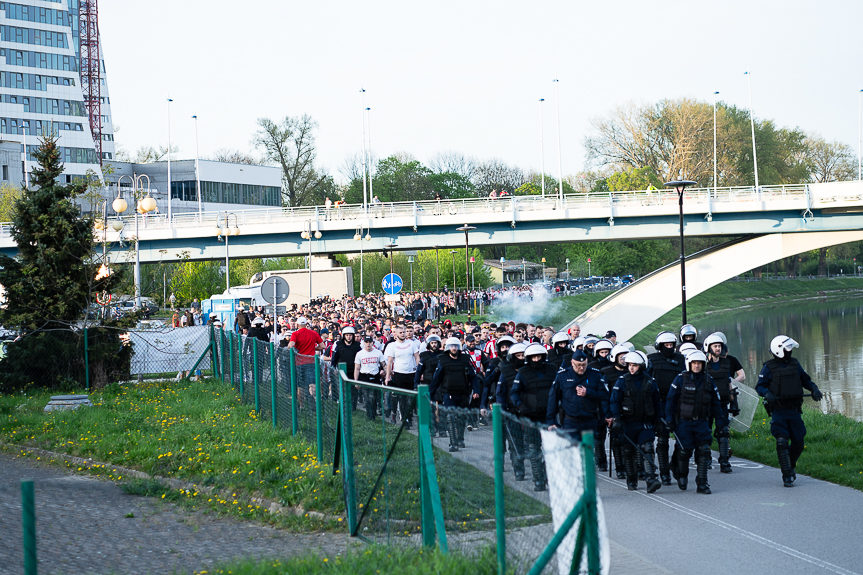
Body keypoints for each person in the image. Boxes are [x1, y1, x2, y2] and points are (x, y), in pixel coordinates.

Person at [756, 335, 823, 488]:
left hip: (794, 411)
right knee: (782, 441)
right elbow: (759, 386)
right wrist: (766, 393)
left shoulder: (795, 364)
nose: (790, 351)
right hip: (779, 411)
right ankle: (787, 475)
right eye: (788, 349)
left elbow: (805, 379)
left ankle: (790, 465)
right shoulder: (768, 367)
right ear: (779, 350)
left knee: (799, 442)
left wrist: (814, 388)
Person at [665, 350, 726, 494]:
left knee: (704, 451)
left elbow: (716, 404)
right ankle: (681, 473)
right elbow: (670, 401)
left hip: (702, 422)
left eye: (699, 363)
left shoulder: (708, 380)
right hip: (684, 422)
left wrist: (720, 423)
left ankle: (702, 482)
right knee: (685, 451)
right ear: (689, 364)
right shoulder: (680, 379)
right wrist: (669, 420)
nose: (697, 366)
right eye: (694, 363)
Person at [609, 352, 662, 493]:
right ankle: (631, 479)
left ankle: (651, 479)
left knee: (648, 448)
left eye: (634, 365)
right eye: (630, 365)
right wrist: (617, 419)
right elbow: (615, 401)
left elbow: (657, 403)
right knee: (628, 451)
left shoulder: (650, 381)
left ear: (641, 366)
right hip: (627, 423)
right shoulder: (622, 381)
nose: (631, 368)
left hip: (645, 423)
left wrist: (659, 420)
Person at [510, 344, 559, 491]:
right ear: (529, 358)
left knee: (552, 449)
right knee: (534, 449)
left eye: (539, 357)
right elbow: (514, 393)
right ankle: (539, 480)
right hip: (531, 416)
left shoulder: (552, 369)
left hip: (550, 416)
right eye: (534, 357)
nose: (537, 360)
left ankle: (549, 474)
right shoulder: (523, 373)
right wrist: (520, 405)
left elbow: (559, 387)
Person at [703, 332, 745, 473]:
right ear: (709, 348)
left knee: (724, 431)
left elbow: (729, 382)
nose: (718, 349)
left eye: (719, 346)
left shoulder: (726, 363)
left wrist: (733, 400)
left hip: (722, 403)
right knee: (706, 431)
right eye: (715, 346)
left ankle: (724, 461)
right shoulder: (703, 364)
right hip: (707, 404)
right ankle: (706, 458)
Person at [430, 337, 482, 452]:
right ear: (448, 347)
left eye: (456, 346)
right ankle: (453, 443)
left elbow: (473, 377)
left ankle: (460, 439)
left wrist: (476, 391)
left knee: (462, 417)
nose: (454, 348)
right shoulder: (442, 360)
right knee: (451, 417)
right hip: (448, 394)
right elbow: (436, 379)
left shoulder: (465, 360)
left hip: (463, 393)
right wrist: (430, 395)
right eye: (451, 346)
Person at [647, 331, 685, 485]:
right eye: (666, 345)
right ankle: (664, 473)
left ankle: (675, 465)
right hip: (660, 402)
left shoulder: (681, 359)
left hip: (678, 403)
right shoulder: (652, 360)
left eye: (671, 345)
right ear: (659, 346)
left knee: (682, 438)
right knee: (662, 439)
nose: (669, 347)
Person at [548, 350, 609, 442]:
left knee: (587, 452)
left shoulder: (595, 374)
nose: (581, 368)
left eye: (584, 365)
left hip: (589, 421)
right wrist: (551, 421)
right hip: (570, 421)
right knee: (572, 452)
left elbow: (605, 395)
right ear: (572, 363)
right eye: (578, 365)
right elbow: (553, 398)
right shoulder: (562, 376)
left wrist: (588, 392)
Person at [600, 344, 630, 478]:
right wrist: (608, 415)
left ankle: (633, 467)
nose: (623, 359)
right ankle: (620, 468)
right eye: (621, 357)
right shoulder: (607, 373)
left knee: (630, 440)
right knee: (616, 440)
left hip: (630, 410)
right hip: (613, 410)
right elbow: (604, 396)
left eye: (625, 357)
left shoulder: (632, 371)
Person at [385, 325, 420, 429]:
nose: (403, 334)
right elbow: (390, 362)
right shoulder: (392, 346)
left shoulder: (412, 344)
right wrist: (388, 376)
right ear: (396, 334)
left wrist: (419, 372)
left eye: (404, 332)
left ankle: (409, 417)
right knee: (402, 398)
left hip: (411, 373)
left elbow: (417, 358)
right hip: (399, 374)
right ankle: (405, 419)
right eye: (400, 332)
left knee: (411, 398)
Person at [415, 335, 444, 436]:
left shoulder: (443, 354)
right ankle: (433, 427)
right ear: (428, 344)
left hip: (440, 384)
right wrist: (416, 383)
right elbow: (419, 371)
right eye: (432, 343)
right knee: (430, 407)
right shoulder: (424, 356)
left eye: (436, 343)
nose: (434, 345)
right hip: (428, 383)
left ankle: (442, 429)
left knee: (441, 406)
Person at [355, 335, 386, 421]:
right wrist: (356, 381)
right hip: (364, 375)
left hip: (375, 376)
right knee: (368, 396)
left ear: (373, 342)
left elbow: (383, 364)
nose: (368, 344)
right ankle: (370, 415)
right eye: (366, 342)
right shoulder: (360, 354)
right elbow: (357, 368)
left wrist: (386, 374)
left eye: (370, 342)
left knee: (374, 396)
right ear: (364, 343)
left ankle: (373, 413)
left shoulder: (378, 352)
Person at [332, 326, 362, 410]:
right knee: (342, 389)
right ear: (344, 336)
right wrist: (333, 368)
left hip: (353, 370)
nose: (349, 337)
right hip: (342, 370)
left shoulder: (357, 345)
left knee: (353, 390)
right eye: (347, 335)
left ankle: (353, 407)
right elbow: (334, 358)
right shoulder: (339, 345)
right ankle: (344, 405)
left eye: (350, 335)